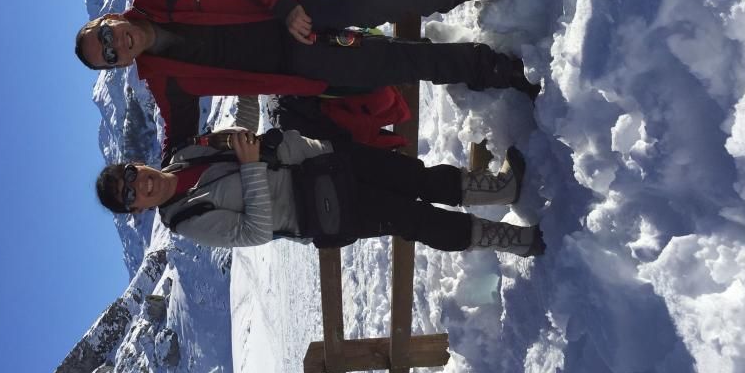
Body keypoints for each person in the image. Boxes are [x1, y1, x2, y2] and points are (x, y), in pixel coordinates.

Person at [74, 0, 541, 152]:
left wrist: (282, 6)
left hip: (296, 1)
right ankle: (492, 68)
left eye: (107, 37)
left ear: (107, 19)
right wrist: (153, 185)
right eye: (109, 56)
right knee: (401, 61)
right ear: (120, 66)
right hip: (300, 65)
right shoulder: (163, 80)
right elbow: (178, 137)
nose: (117, 45)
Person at [94, 128, 546, 257]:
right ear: (136, 209)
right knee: (414, 218)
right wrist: (252, 168)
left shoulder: (185, 154)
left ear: (136, 163)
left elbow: (245, 143)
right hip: (320, 208)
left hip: (322, 161)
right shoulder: (187, 221)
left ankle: (499, 189)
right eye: (129, 194)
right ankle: (511, 241)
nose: (139, 184)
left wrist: (268, 145)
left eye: (129, 174)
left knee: (416, 177)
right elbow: (255, 232)